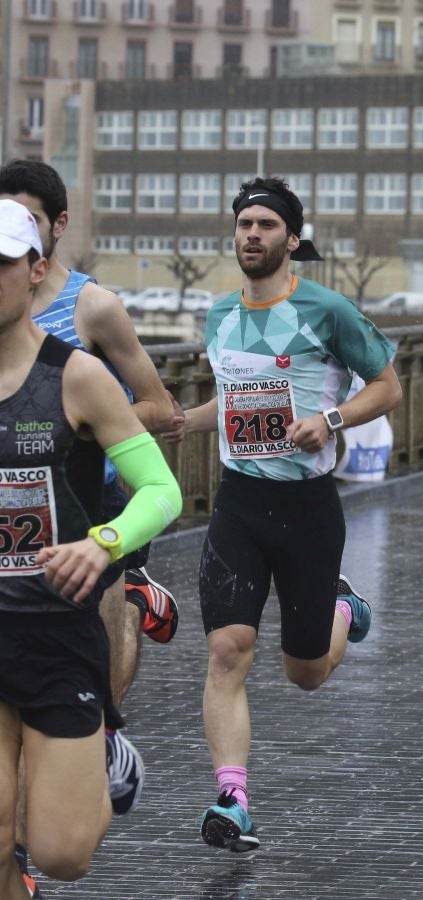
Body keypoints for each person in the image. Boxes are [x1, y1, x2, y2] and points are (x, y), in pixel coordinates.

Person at [171, 177, 402, 851]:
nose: (252, 235)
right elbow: (234, 398)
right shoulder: (218, 315)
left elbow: (388, 386)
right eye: (244, 224)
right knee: (225, 650)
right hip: (239, 500)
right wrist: (188, 419)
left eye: (267, 225)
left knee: (304, 673)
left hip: (307, 508)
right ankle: (233, 795)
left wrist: (329, 419)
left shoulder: (327, 310)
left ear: (293, 240)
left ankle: (340, 608)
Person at [0, 198, 181, 897]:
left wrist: (104, 543)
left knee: (61, 852)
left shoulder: (76, 376)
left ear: (35, 270)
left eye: (3, 265)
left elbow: (161, 491)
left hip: (56, 634)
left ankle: (108, 765)